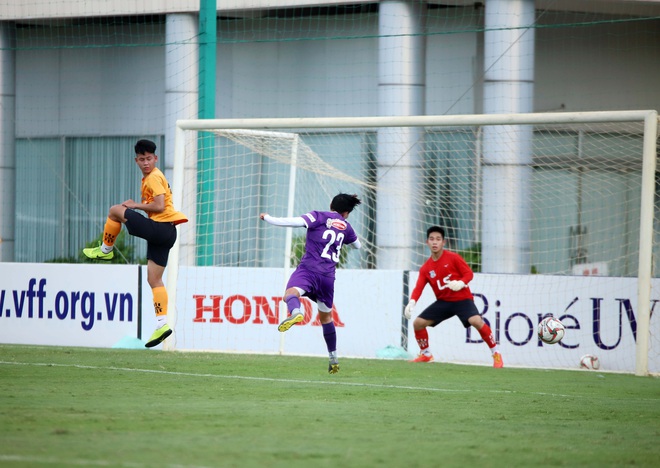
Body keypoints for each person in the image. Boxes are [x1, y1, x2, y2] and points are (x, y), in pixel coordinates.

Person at [82, 139, 188, 348]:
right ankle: (162, 324)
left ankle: (105, 250)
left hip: (159, 228)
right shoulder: (152, 176)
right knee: (154, 279)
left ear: (155, 158)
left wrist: (134, 205)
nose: (146, 162)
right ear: (136, 160)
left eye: (149, 158)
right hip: (168, 233)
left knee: (115, 210)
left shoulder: (153, 177)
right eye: (142, 159)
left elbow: (158, 205)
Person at [259, 193, 362, 374]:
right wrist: (344, 233)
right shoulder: (346, 226)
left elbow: (292, 222)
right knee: (327, 318)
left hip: (309, 270)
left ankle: (297, 312)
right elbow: (357, 246)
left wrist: (268, 218)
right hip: (328, 278)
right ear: (346, 213)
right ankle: (333, 358)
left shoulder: (318, 216)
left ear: (331, 205)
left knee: (290, 294)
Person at [404, 226, 503, 368]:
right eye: (432, 239)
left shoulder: (453, 258)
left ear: (443, 242)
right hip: (444, 302)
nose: (435, 242)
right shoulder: (426, 268)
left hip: (462, 299)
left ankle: (496, 353)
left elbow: (469, 273)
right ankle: (426, 354)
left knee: (476, 321)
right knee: (417, 323)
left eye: (438, 239)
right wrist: (412, 302)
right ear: (427, 242)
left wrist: (461, 282)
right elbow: (419, 287)